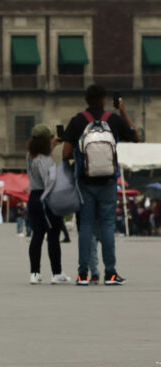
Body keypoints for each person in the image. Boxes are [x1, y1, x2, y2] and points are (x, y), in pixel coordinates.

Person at [61, 84, 138, 286]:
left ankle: (83, 274)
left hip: (85, 181)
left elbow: (65, 154)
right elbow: (135, 136)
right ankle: (111, 274)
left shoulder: (77, 121)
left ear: (86, 100)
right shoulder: (113, 120)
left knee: (85, 225)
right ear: (104, 100)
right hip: (108, 181)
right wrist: (122, 111)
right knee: (107, 225)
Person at [25, 124, 69, 284]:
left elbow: (41, 155)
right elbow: (48, 182)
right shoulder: (45, 160)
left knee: (37, 235)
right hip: (46, 199)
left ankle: (34, 273)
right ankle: (56, 273)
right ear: (45, 141)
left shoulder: (30, 156)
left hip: (34, 197)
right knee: (53, 236)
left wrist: (53, 145)